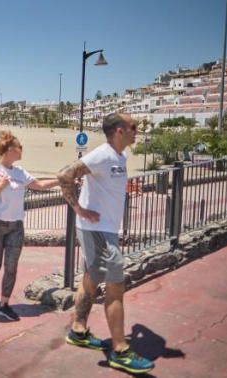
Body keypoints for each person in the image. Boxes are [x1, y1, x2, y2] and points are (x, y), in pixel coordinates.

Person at [56, 113, 154, 374]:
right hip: (96, 229)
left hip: (104, 229)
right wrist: (79, 209)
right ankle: (120, 351)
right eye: (133, 127)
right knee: (116, 287)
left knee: (91, 278)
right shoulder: (102, 154)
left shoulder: (121, 157)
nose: (137, 130)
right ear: (120, 130)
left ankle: (78, 331)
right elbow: (64, 174)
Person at [0, 130, 59, 321]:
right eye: (19, 147)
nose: (22, 150)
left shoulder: (20, 172)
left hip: (16, 227)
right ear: (9, 150)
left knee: (11, 267)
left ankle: (4, 304)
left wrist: (61, 181)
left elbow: (39, 185)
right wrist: (0, 187)